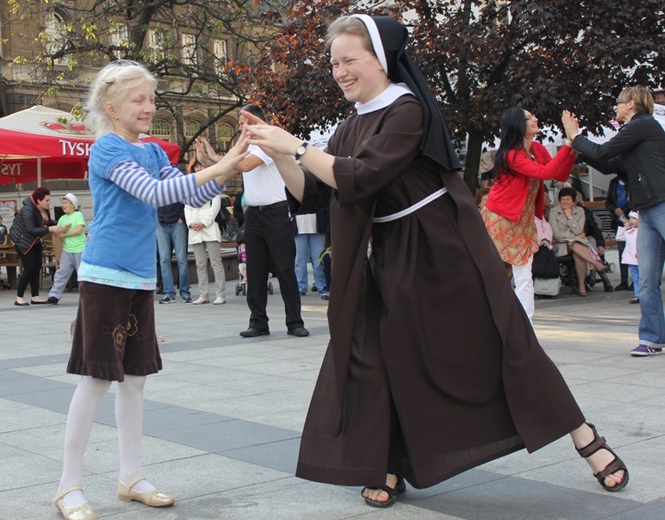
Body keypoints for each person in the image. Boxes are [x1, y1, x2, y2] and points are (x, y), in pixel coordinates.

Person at [242, 14, 628, 509]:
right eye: (334, 62)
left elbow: (361, 176)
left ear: (379, 58)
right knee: (381, 355)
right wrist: (276, 155)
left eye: (349, 59)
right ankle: (388, 462)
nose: (338, 71)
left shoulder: (407, 110)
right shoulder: (350, 123)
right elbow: (317, 192)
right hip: (388, 253)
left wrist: (295, 145)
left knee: (501, 343)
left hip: (441, 248)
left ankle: (583, 436)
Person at [53, 60, 246, 520]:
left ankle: (131, 477)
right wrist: (227, 163)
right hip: (104, 276)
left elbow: (188, 196)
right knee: (97, 378)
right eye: (139, 99)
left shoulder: (155, 151)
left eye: (151, 99)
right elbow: (154, 195)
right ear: (111, 105)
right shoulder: (105, 149)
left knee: (136, 380)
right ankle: (68, 486)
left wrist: (226, 165)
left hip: (140, 276)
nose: (149, 107)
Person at [564, 86, 665, 356]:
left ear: (631, 104)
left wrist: (576, 136)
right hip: (646, 211)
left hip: (662, 204)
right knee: (646, 279)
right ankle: (652, 339)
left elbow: (603, 151)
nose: (616, 108)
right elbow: (609, 164)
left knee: (648, 279)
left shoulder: (642, 125)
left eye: (618, 103)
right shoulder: (631, 136)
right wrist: (576, 146)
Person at [199, 105, 309, 338]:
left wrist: (215, 157)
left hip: (277, 213)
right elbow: (228, 171)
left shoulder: (269, 142)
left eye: (242, 123)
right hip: (254, 215)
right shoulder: (246, 148)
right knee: (254, 270)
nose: (239, 128)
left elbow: (243, 166)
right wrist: (208, 162)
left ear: (255, 121)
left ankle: (295, 322)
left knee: (284, 268)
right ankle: (258, 322)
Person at [482, 108, 575, 321]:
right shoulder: (511, 155)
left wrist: (572, 149)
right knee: (491, 272)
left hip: (523, 220)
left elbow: (559, 174)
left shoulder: (537, 148)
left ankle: (526, 328)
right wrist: (568, 143)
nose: (536, 119)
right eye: (529, 117)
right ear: (518, 125)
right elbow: (545, 172)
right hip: (500, 218)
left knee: (524, 276)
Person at [548, 187, 614, 296]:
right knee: (576, 243)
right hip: (560, 244)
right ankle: (593, 264)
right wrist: (575, 236)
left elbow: (579, 229)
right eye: (563, 199)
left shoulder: (580, 211)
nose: (565, 202)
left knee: (578, 256)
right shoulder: (554, 212)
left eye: (568, 199)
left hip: (576, 244)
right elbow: (557, 234)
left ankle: (582, 287)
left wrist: (569, 217)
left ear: (574, 201)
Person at [9, 187, 67, 306]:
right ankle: (19, 298)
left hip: (34, 240)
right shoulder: (28, 210)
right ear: (38, 200)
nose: (49, 202)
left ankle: (35, 296)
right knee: (29, 268)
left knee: (37, 267)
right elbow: (30, 229)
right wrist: (49, 229)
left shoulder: (44, 209)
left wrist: (60, 224)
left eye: (49, 200)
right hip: (22, 241)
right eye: (47, 200)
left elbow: (48, 222)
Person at [184, 159, 227, 305]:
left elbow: (215, 206)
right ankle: (203, 294)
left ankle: (220, 294)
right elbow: (187, 207)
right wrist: (191, 223)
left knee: (216, 262)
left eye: (200, 165)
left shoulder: (213, 184)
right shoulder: (190, 186)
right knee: (200, 264)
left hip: (209, 226)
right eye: (196, 166)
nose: (199, 168)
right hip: (195, 229)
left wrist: (204, 222)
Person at [47, 193, 86, 305]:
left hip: (80, 249)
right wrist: (64, 229)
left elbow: (79, 230)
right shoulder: (62, 219)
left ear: (73, 205)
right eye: (62, 203)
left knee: (82, 274)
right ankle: (54, 295)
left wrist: (64, 235)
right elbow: (57, 234)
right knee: (62, 272)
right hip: (67, 249)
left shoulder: (78, 215)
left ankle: (85, 297)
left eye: (65, 203)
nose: (63, 205)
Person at [156, 199, 192, 304]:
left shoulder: (179, 183)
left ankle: (185, 291)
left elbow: (187, 199)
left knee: (182, 259)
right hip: (161, 223)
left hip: (178, 222)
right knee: (164, 259)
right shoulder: (158, 182)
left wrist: (182, 217)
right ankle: (169, 292)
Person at [294, 211, 329, 299]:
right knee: (299, 261)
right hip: (299, 228)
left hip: (318, 227)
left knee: (319, 260)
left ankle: (321, 285)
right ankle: (301, 286)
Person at [605, 177, 631, 290]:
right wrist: (615, 210)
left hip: (632, 219)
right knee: (621, 250)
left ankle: (636, 280)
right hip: (618, 221)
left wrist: (624, 209)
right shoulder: (614, 182)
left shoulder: (632, 179)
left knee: (634, 250)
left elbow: (635, 198)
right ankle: (624, 280)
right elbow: (608, 202)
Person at [618, 211, 640, 305]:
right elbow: (619, 238)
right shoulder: (628, 231)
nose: (631, 220)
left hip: (640, 258)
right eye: (630, 218)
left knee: (643, 278)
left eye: (634, 219)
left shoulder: (642, 231)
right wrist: (624, 229)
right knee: (635, 277)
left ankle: (645, 295)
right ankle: (637, 295)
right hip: (631, 258)